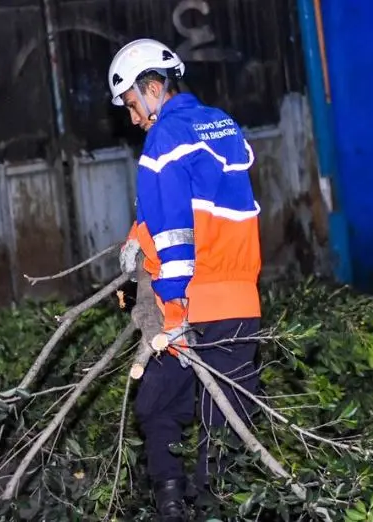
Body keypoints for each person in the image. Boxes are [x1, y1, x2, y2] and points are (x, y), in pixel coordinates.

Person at [108, 38, 263, 521]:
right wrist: (138, 236)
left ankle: (173, 509)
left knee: (157, 409)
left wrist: (172, 311)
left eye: (133, 104)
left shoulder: (165, 137)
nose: (134, 119)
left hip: (191, 304)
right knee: (228, 427)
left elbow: (175, 230)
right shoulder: (224, 125)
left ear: (152, 88)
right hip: (239, 301)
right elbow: (203, 210)